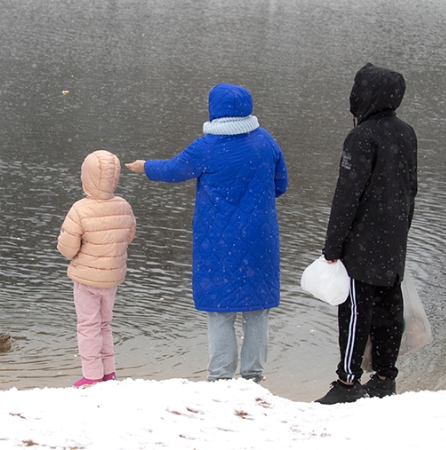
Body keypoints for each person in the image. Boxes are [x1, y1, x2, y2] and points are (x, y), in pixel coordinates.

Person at [126, 83, 288, 384]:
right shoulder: (265, 142)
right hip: (260, 241)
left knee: (219, 309)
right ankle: (253, 376)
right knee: (258, 310)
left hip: (218, 242)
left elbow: (174, 170)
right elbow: (281, 185)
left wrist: (144, 166)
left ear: (215, 110)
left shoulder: (207, 147)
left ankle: (220, 379)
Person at [315, 63, 418, 404]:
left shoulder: (361, 137)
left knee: (357, 310)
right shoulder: (406, 133)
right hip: (393, 240)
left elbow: (347, 195)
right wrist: (402, 232)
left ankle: (347, 382)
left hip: (362, 243)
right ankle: (385, 378)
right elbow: (411, 189)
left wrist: (332, 247)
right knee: (390, 308)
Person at [58, 150, 137, 388]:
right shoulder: (123, 206)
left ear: (87, 177)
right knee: (104, 324)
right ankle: (109, 372)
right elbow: (129, 236)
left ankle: (92, 374)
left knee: (88, 325)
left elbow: (68, 249)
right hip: (112, 278)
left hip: (86, 279)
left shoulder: (80, 209)